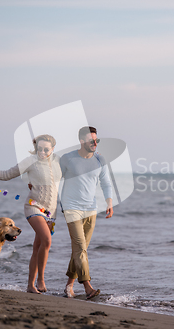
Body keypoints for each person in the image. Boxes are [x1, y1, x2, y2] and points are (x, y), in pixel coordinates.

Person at [0, 134, 61, 294]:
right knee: (47, 241)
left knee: (37, 247)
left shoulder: (58, 163)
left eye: (46, 149)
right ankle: (41, 279)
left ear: (52, 149)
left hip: (50, 212)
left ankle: (30, 285)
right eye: (39, 148)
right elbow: (7, 174)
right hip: (33, 207)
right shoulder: (30, 161)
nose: (42, 152)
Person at [60, 126, 113, 299]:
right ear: (82, 141)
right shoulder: (68, 158)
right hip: (71, 207)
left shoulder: (100, 160)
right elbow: (53, 178)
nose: (95, 143)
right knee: (81, 248)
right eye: (92, 141)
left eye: (97, 140)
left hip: (91, 209)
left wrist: (109, 202)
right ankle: (88, 287)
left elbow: (106, 183)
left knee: (79, 249)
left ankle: (69, 287)